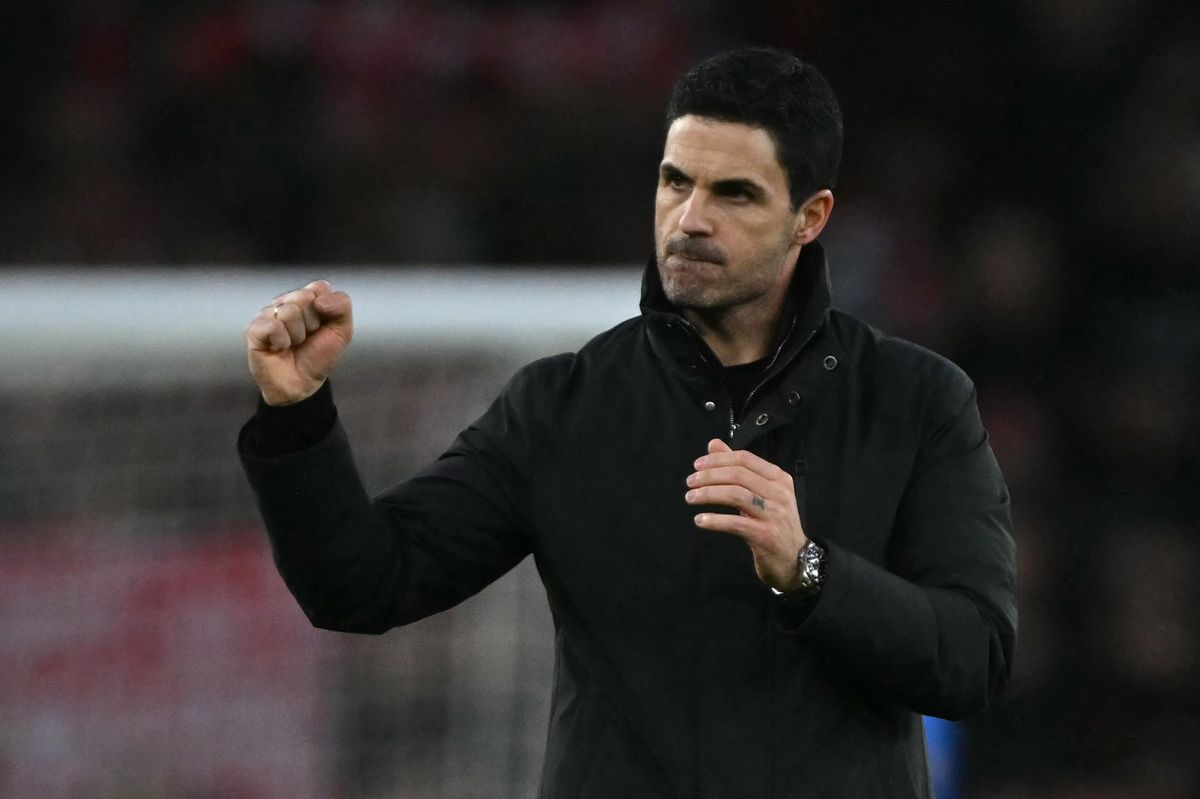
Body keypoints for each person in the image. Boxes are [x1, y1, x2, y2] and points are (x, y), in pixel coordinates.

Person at [239, 47, 1016, 798]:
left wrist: (809, 569)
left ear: (809, 217)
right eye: (676, 182)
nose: (690, 219)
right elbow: (362, 584)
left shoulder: (917, 402)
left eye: (734, 194)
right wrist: (297, 415)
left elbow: (974, 656)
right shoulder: (564, 405)